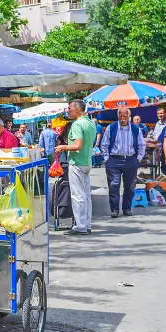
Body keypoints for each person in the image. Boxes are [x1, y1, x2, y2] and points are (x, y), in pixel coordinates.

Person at [55, 99, 96, 236]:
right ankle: (87, 224)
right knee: (86, 195)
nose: (68, 111)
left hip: (77, 162)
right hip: (87, 162)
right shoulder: (90, 123)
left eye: (70, 108)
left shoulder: (77, 125)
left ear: (77, 109)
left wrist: (63, 147)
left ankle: (80, 226)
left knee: (77, 195)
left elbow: (78, 145)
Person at [101, 107, 146, 217]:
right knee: (113, 185)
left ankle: (126, 208)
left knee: (129, 186)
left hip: (130, 160)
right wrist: (107, 158)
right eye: (121, 116)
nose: (122, 118)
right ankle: (114, 210)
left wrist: (138, 158)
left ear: (128, 116)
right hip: (114, 160)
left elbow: (141, 145)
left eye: (125, 116)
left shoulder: (135, 129)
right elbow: (104, 144)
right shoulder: (111, 128)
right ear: (118, 116)